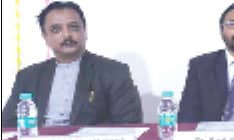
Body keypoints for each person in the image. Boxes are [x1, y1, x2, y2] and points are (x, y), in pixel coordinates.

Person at [2, 1, 142, 128]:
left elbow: (129, 124)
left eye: (73, 27)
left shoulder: (113, 72)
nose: (67, 35)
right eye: (56, 30)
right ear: (45, 37)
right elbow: (7, 124)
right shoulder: (28, 77)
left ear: (84, 31)